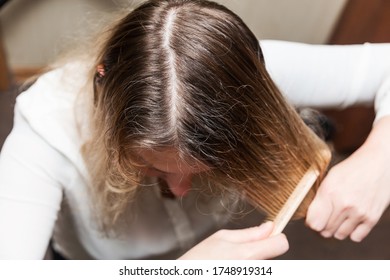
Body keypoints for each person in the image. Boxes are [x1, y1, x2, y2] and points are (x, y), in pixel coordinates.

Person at [0, 0, 389, 260]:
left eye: (205, 164)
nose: (181, 191)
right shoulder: (42, 139)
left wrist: (379, 158)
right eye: (151, 166)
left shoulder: (247, 77)